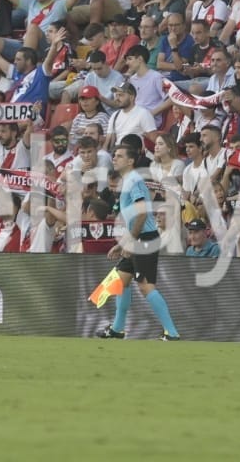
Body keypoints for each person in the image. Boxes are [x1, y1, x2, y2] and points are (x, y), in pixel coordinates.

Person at [96, 141, 181, 341]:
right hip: (138, 238)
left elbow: (142, 213)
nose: (114, 158)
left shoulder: (133, 180)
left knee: (145, 286)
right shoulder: (128, 180)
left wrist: (131, 241)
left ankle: (172, 333)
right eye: (114, 155)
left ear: (131, 161)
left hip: (144, 240)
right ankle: (117, 329)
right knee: (120, 282)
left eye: (119, 156)